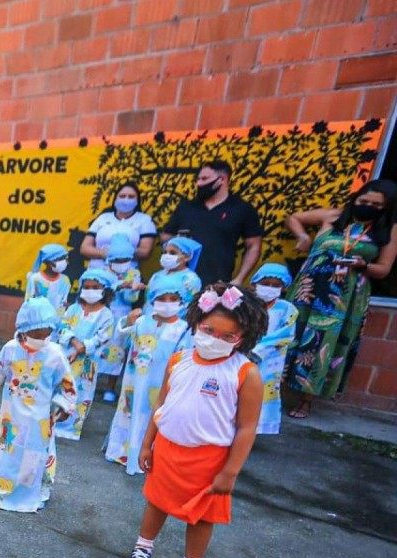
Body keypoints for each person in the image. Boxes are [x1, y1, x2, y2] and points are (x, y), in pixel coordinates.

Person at [124, 283, 266, 558]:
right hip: (169, 451)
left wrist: (230, 472)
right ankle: (142, 548)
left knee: (202, 517)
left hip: (210, 460)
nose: (215, 339)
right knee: (156, 503)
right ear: (196, 323)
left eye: (227, 336)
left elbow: (246, 428)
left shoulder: (246, 373)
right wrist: (147, 445)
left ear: (243, 337)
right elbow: (161, 406)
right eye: (208, 330)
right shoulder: (178, 360)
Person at [285, 179, 397, 418]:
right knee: (291, 333)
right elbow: (294, 217)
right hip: (309, 288)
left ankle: (306, 400)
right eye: (363, 201)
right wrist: (303, 237)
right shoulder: (334, 216)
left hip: (344, 297)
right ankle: (272, 391)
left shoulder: (388, 231)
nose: (367, 206)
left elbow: (384, 268)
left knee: (326, 342)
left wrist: (363, 265)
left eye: (375, 205)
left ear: (386, 208)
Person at [0, 297, 77, 513]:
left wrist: (64, 405)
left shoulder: (55, 354)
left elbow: (67, 383)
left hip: (39, 419)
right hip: (10, 414)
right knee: (5, 448)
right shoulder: (11, 349)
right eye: (36, 334)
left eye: (46, 334)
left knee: (34, 453)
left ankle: (28, 491)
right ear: (23, 330)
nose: (41, 339)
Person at [104, 274, 193, 475]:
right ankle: (120, 451)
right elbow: (120, 336)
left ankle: (143, 456)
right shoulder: (142, 321)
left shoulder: (182, 329)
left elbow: (184, 359)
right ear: (152, 299)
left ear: (182, 301)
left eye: (173, 299)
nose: (167, 304)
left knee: (152, 416)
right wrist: (128, 319)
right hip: (133, 381)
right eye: (162, 298)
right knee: (128, 410)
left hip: (159, 384)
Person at [160, 160, 263, 286]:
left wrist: (239, 279)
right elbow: (166, 236)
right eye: (198, 179)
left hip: (216, 284)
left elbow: (254, 246)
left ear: (222, 180)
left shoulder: (242, 209)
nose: (199, 183)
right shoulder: (186, 207)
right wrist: (179, 243)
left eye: (204, 179)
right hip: (179, 283)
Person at [55, 269, 115, 441]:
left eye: (95, 287)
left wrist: (82, 348)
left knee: (81, 392)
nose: (90, 290)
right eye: (86, 287)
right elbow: (63, 326)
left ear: (105, 290)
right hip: (66, 356)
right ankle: (54, 420)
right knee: (61, 386)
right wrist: (74, 341)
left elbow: (102, 337)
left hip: (87, 363)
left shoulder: (106, 315)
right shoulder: (74, 309)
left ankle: (71, 427)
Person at [250, 264, 298, 435]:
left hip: (270, 361)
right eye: (265, 283)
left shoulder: (287, 309)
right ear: (254, 283)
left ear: (283, 287)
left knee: (261, 393)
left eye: (275, 285)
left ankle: (253, 430)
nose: (269, 288)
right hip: (243, 355)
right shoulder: (246, 304)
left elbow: (286, 334)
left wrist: (259, 349)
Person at [97, 234, 145, 401]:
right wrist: (121, 285)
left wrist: (133, 290)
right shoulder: (101, 272)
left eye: (125, 259)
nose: (121, 263)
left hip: (123, 316)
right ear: (110, 258)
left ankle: (110, 388)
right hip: (102, 314)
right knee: (97, 347)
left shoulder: (133, 273)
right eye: (117, 259)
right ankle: (91, 380)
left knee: (118, 352)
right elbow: (100, 293)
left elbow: (131, 299)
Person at [79, 181, 156, 268]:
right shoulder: (103, 218)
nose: (126, 200)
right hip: (96, 274)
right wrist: (105, 253)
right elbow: (85, 248)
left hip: (127, 275)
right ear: (115, 199)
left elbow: (145, 252)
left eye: (131, 197)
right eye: (122, 196)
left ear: (137, 201)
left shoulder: (145, 220)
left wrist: (122, 252)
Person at [146, 236, 203, 307]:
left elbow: (189, 305)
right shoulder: (156, 276)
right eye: (165, 252)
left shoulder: (190, 279)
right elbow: (147, 301)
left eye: (172, 253)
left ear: (187, 257)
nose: (167, 255)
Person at [25, 243, 71, 316]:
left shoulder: (65, 280)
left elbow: (63, 304)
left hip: (55, 322)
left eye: (66, 258)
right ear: (48, 262)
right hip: (37, 322)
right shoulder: (35, 279)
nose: (66, 262)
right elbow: (28, 303)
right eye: (61, 259)